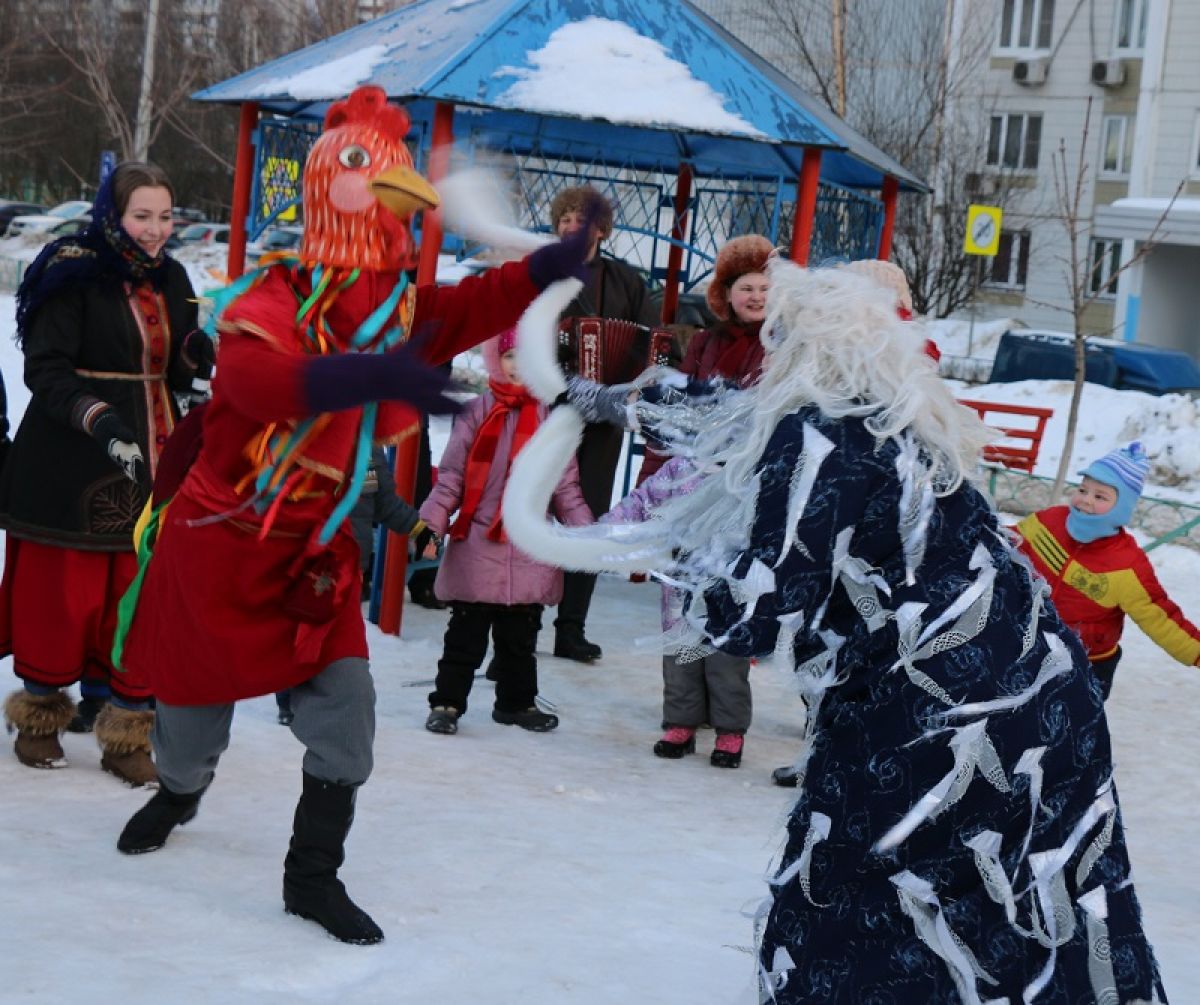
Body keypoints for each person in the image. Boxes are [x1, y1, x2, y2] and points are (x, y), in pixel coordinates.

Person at [512, 263, 1166, 1000]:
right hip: (1047, 698)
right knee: (1041, 890)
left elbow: (757, 607)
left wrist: (672, 548)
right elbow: (732, 412)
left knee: (854, 901)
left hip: (934, 716)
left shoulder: (817, 434)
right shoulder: (896, 412)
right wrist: (606, 400)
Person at [111, 85, 594, 946]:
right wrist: (372, 377)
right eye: (374, 173)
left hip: (316, 551)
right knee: (186, 728)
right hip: (218, 547)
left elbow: (473, 307)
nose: (396, 194)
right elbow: (252, 386)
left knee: (348, 716)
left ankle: (310, 879)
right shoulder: (270, 296)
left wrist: (543, 267)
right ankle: (180, 790)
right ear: (332, 187)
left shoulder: (399, 307)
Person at [0, 161, 210, 786]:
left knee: (138, 594)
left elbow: (177, 368)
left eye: (165, 216)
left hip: (154, 460)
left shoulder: (173, 276)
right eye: (141, 216)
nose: (155, 230)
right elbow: (46, 369)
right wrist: (98, 420)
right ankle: (39, 715)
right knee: (64, 596)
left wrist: (198, 354)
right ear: (112, 215)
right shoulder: (70, 271)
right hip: (68, 467)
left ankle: (125, 726)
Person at [419, 328, 591, 735]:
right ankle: (446, 702)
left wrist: (587, 537)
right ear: (497, 361)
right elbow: (453, 477)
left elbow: (565, 486)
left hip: (529, 544)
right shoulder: (478, 412)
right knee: (465, 636)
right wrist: (430, 525)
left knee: (520, 639)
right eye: (510, 357)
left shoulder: (553, 420)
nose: (518, 367)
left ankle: (516, 703)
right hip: (478, 543)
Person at [549, 185, 659, 663]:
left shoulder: (627, 282)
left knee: (588, 519)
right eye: (565, 217)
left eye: (584, 219)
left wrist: (630, 384)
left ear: (601, 229)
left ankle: (570, 626)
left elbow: (650, 345)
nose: (573, 226)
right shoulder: (538, 273)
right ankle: (520, 617)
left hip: (603, 425)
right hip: (546, 412)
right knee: (535, 510)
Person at [1015, 441, 1200, 700]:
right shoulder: (1050, 521)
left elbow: (1161, 618)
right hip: (1027, 646)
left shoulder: (1127, 564)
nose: (1085, 501)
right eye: (1083, 490)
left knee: (1070, 733)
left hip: (1086, 664)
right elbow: (1008, 547)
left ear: (1121, 507)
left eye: (1100, 496)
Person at [604, 455, 750, 766]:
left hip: (729, 581)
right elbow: (644, 500)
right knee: (679, 654)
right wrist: (609, 529)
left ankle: (730, 729)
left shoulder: (749, 465)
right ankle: (681, 723)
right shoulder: (681, 467)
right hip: (680, 578)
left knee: (725, 659)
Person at [637, 234, 772, 483]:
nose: (757, 297)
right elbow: (672, 412)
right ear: (728, 295)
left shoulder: (779, 347)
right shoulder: (704, 343)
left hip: (743, 474)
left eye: (765, 289)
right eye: (747, 289)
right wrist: (649, 481)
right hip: (690, 469)